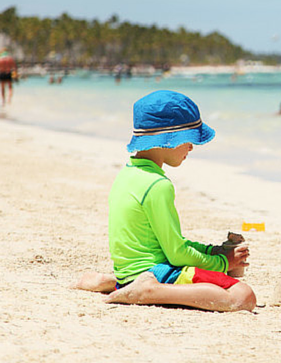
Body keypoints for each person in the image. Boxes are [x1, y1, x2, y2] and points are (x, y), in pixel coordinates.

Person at [75, 90, 256, 312]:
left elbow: (167, 243)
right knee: (243, 295)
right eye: (189, 138)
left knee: (212, 272)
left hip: (129, 271)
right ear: (169, 139)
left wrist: (214, 251)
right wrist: (224, 263)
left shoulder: (127, 174)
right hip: (157, 273)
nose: (192, 146)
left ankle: (115, 282)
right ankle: (149, 291)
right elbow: (176, 253)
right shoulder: (158, 185)